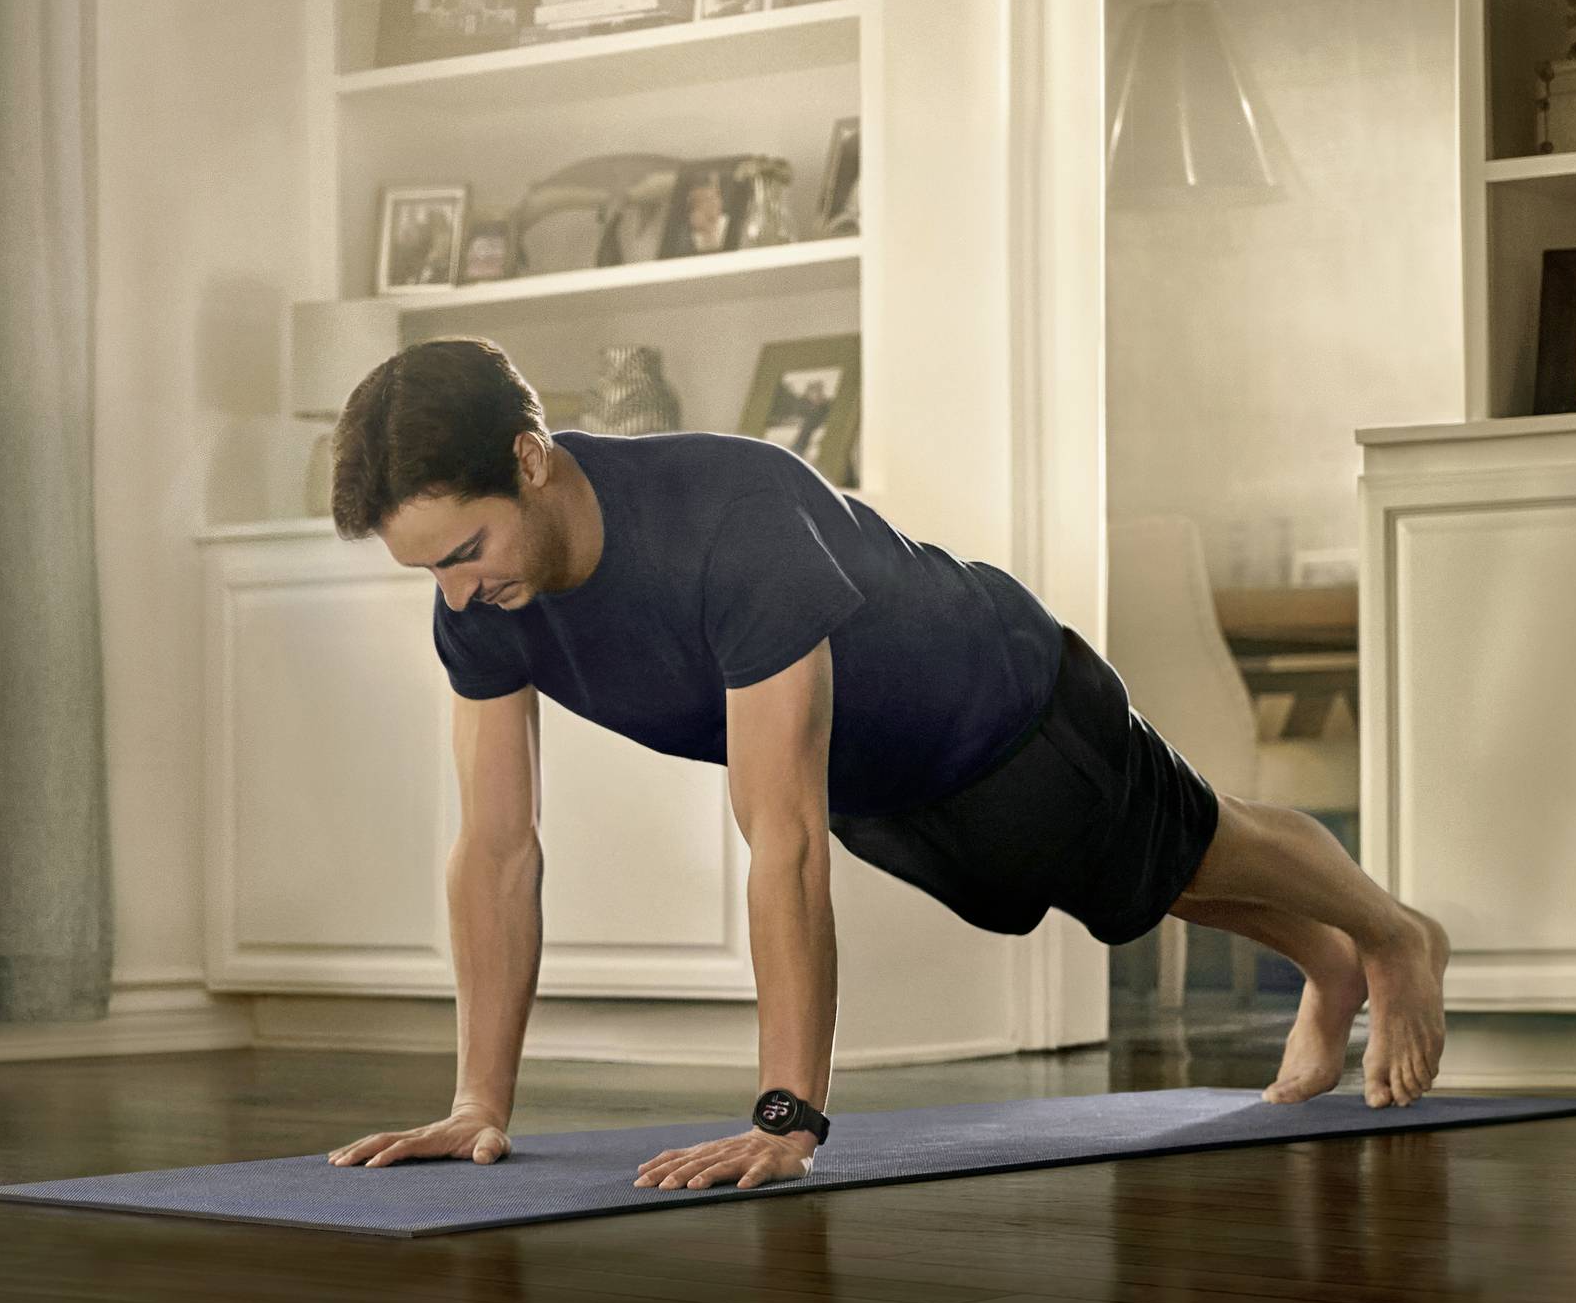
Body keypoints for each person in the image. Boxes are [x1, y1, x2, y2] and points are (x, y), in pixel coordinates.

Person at [322, 338, 1447, 1193]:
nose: (457, 595)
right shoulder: (482, 607)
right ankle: (1328, 960)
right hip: (887, 785)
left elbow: (782, 838)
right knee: (1132, 889)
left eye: (466, 552)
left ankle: (1393, 935)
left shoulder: (730, 515)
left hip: (1003, 702)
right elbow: (497, 850)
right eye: (430, 574)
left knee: (1195, 846)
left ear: (530, 460)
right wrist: (477, 1104)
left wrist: (786, 1115)